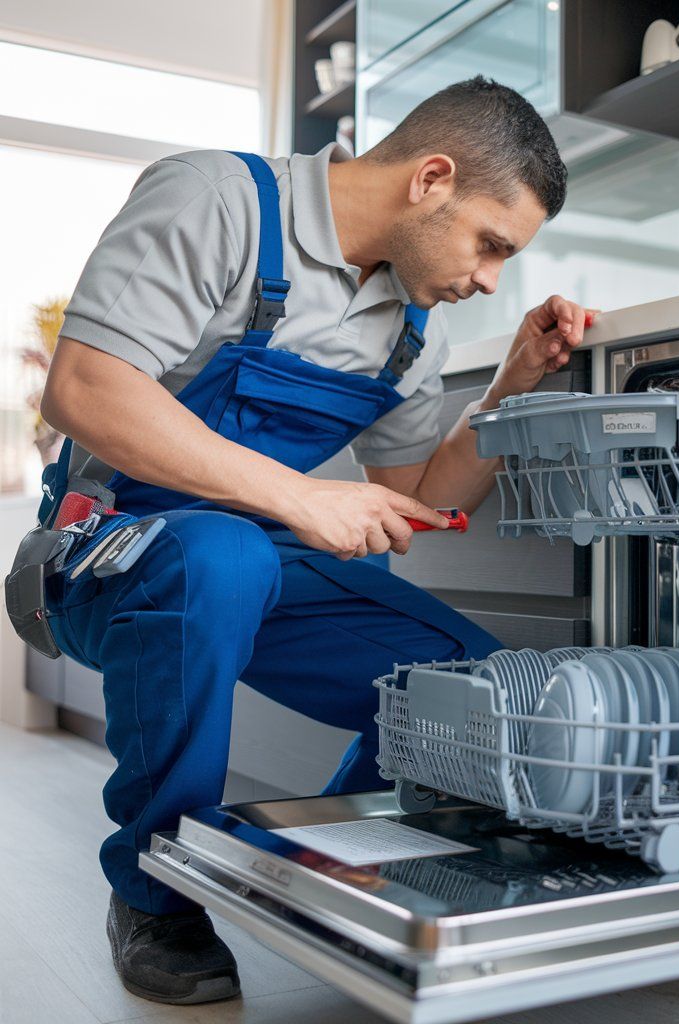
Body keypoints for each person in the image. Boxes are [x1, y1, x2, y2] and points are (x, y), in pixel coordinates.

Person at [36, 76, 593, 1005]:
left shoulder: (411, 329)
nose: (490, 278)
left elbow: (415, 500)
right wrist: (298, 495)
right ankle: (156, 897)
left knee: (474, 689)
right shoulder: (217, 202)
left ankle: (330, 872)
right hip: (113, 553)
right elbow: (86, 389)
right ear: (432, 179)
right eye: (491, 244)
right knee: (223, 556)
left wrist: (511, 386)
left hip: (259, 560)